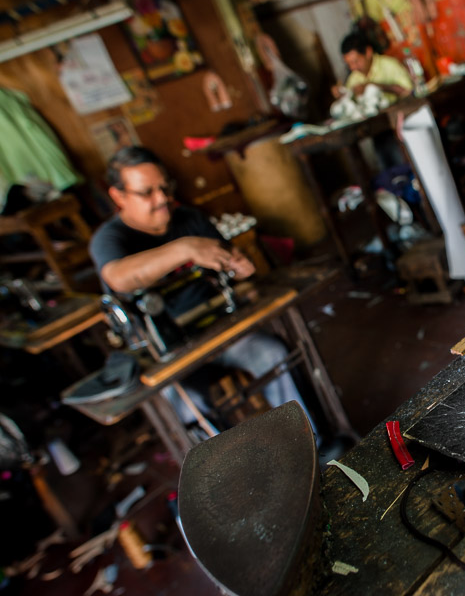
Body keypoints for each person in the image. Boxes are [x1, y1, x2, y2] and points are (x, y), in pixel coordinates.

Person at [89, 147, 320, 440]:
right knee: (185, 405)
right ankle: (229, 480)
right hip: (171, 353)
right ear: (119, 196)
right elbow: (118, 277)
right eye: (146, 193)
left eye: (164, 188)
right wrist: (184, 248)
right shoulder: (109, 239)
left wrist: (237, 264)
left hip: (219, 330)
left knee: (273, 354)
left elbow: (228, 258)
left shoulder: (189, 219)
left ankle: (313, 445)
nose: (162, 199)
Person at [332, 33, 413, 103]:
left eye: (356, 61)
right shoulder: (354, 78)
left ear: (368, 52)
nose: (353, 67)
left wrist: (375, 86)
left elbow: (409, 91)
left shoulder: (389, 65)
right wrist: (342, 95)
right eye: (349, 64)